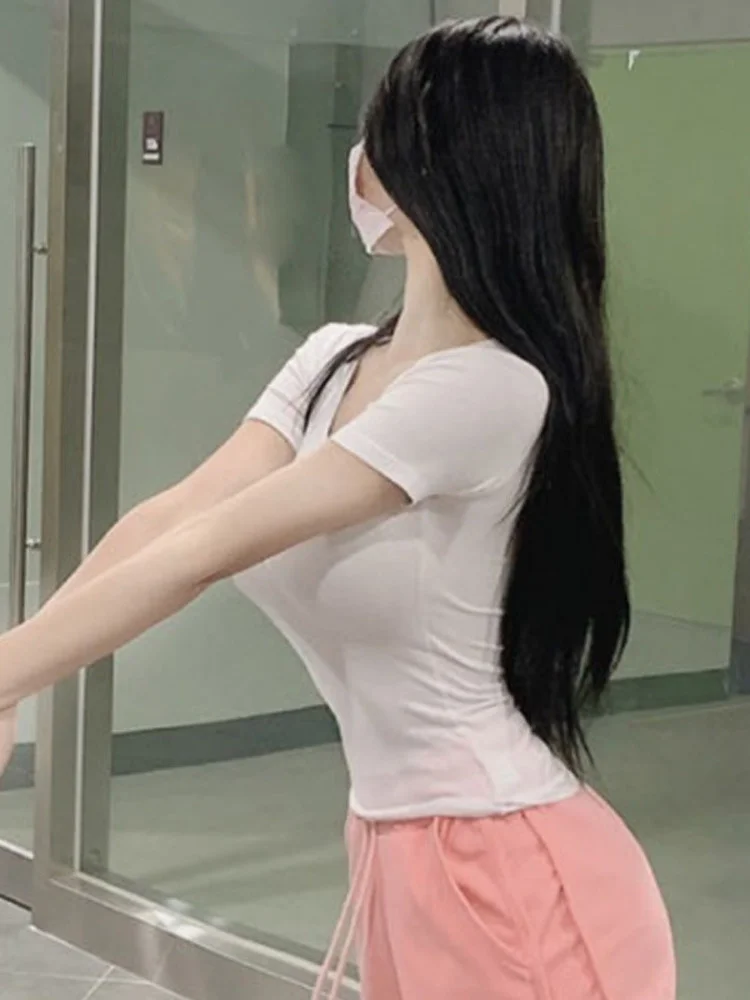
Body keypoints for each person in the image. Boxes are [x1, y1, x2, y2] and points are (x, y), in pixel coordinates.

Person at [0, 16, 676, 1000]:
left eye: (378, 128)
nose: (357, 158)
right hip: (403, 847)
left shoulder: (491, 390)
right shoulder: (334, 360)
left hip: (503, 866)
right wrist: (14, 673)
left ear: (436, 166)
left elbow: (208, 549)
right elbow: (173, 519)